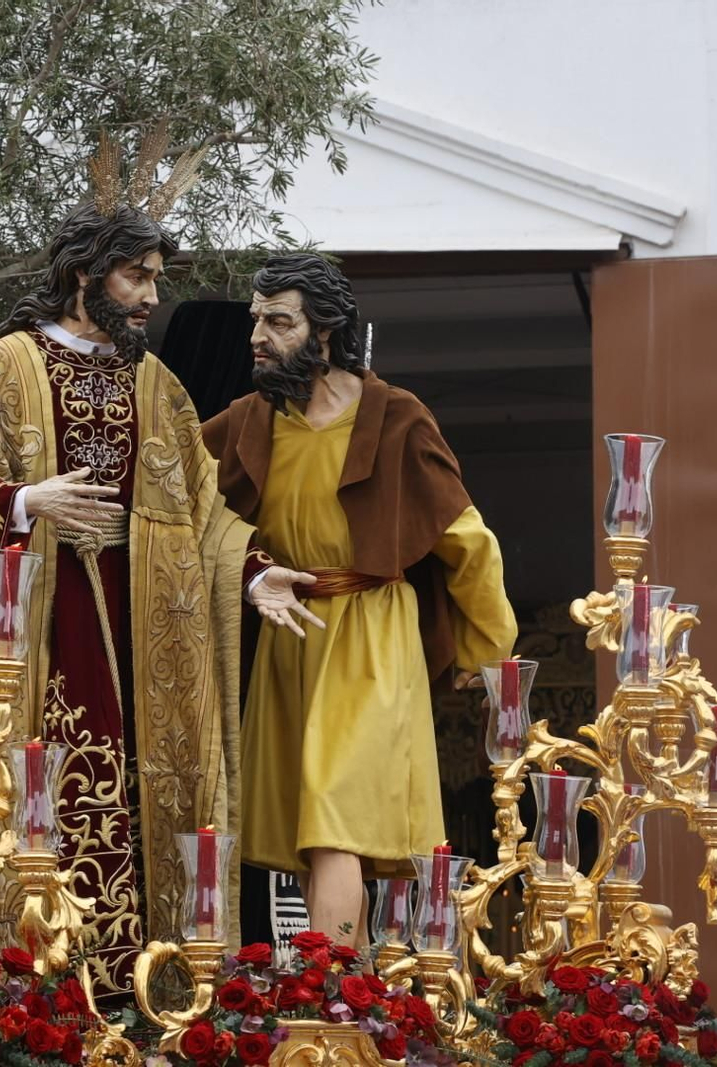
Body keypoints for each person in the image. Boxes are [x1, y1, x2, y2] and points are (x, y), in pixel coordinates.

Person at [0, 195, 314, 994]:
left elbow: (202, 513)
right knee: (36, 807)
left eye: (155, 279)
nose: (151, 298)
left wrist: (252, 572)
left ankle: (147, 991)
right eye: (137, 278)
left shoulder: (158, 388)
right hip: (35, 629)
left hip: (143, 644)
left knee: (144, 804)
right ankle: (30, 993)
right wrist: (28, 502)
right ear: (83, 274)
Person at [201, 253, 517, 946]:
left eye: (278, 321)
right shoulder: (250, 420)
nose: (258, 334)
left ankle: (330, 1000)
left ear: (324, 331)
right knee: (310, 832)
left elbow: (466, 539)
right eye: (256, 318)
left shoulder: (395, 416)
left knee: (333, 818)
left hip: (371, 632)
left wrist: (487, 650)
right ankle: (345, 990)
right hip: (292, 633)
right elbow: (184, 502)